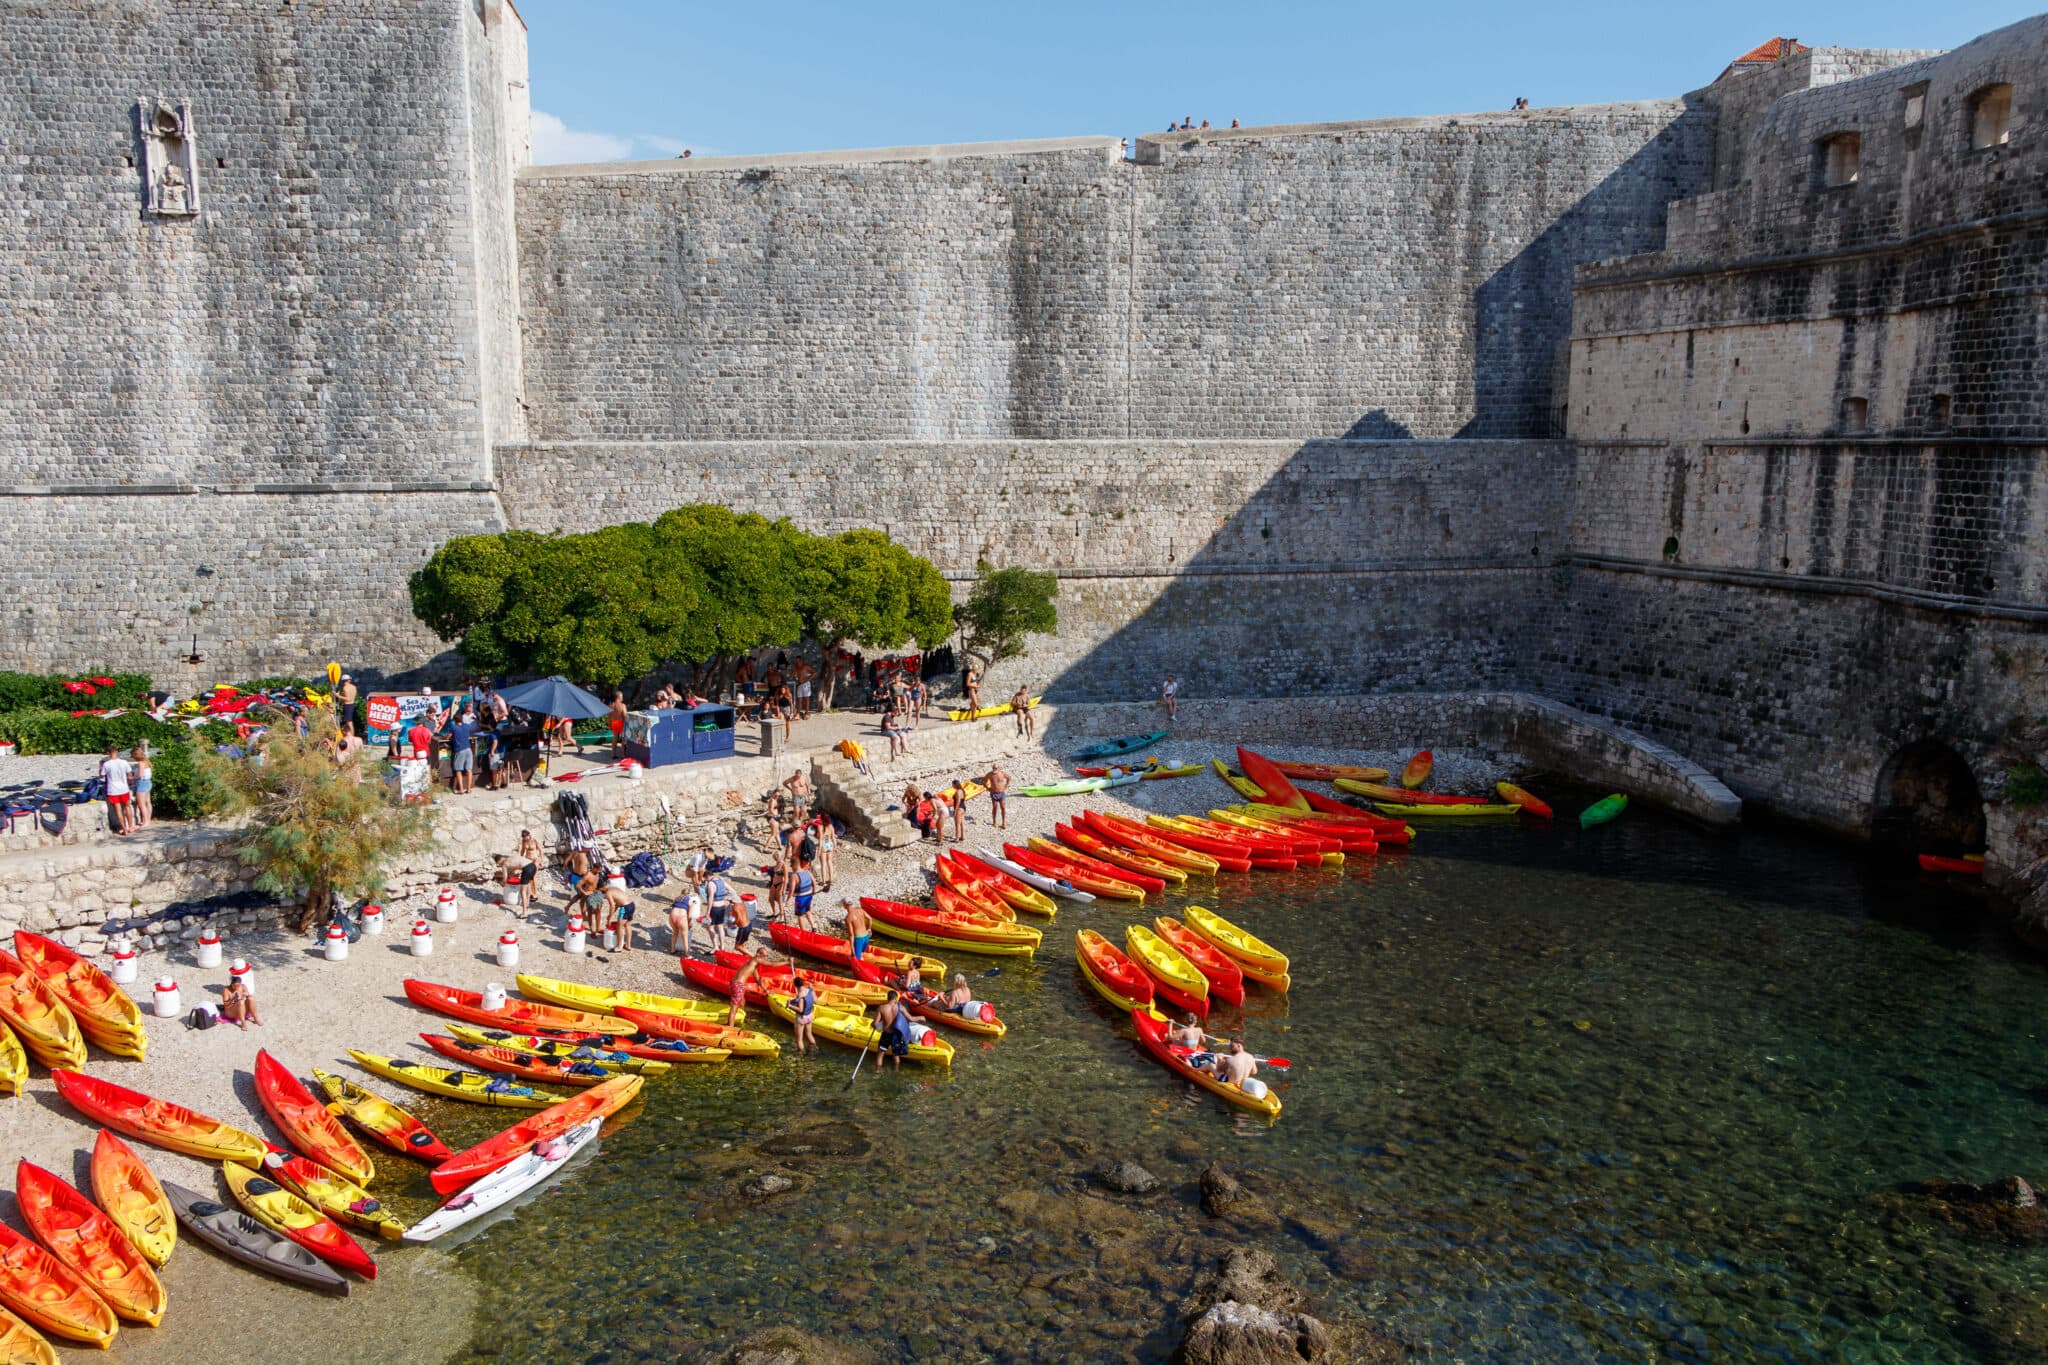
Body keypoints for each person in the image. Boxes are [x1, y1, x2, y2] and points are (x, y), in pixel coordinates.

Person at [99, 744, 135, 836]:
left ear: (108, 753)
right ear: (117, 751)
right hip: (124, 788)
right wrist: (130, 782)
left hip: (113, 790)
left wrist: (100, 767)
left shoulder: (106, 764)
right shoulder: (124, 762)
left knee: (118, 810)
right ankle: (131, 827)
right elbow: (130, 775)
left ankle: (124, 829)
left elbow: (102, 776)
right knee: (127, 807)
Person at [871, 990, 910, 1071]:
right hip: (896, 1035)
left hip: (886, 1034)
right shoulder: (900, 1007)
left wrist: (876, 1026)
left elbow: (875, 1024)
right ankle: (896, 1071)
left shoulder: (881, 1008)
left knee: (880, 1054)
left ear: (888, 998)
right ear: (895, 998)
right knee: (896, 1055)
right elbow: (906, 1020)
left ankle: (878, 1071)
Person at [449, 704, 479, 794]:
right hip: (468, 749)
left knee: (458, 770)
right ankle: (469, 789)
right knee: (469, 769)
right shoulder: (466, 726)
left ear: (455, 720)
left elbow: (448, 736)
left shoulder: (453, 727)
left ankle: (461, 789)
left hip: (460, 750)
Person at [704, 870, 736, 952]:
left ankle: (715, 947)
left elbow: (710, 898)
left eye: (706, 879)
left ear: (707, 877)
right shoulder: (721, 881)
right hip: (722, 907)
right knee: (720, 927)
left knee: (710, 927)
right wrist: (728, 900)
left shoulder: (711, 884)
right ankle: (722, 947)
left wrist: (707, 912)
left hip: (714, 908)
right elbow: (732, 891)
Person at [668, 889, 703, 955]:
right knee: (685, 935)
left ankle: (672, 950)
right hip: (681, 917)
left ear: (681, 893)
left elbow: (673, 908)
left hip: (672, 916)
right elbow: (689, 916)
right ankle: (687, 954)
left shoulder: (676, 898)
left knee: (675, 933)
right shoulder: (690, 901)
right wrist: (688, 923)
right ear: (689, 895)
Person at [727, 955, 759, 1027]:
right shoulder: (753, 965)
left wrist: (765, 990)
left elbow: (757, 979)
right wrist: (786, 961)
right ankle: (730, 1028)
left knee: (742, 1001)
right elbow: (771, 964)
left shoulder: (750, 964)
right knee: (734, 1008)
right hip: (738, 985)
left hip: (735, 984)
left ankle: (741, 1015)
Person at [791, 977, 818, 1055]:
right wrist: (813, 990)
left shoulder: (800, 995)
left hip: (801, 1019)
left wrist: (790, 1005)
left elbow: (800, 1010)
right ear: (803, 983)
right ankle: (814, 1048)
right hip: (810, 1016)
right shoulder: (810, 990)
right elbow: (816, 1001)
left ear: (795, 986)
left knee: (799, 1040)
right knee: (809, 1034)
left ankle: (801, 1055)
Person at [130, 744, 153, 829]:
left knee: (141, 804)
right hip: (148, 782)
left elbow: (139, 775)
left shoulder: (140, 763)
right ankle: (148, 819)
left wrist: (131, 777)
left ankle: (145, 821)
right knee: (148, 802)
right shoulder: (147, 761)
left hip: (142, 783)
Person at [791, 858, 816, 927]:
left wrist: (788, 899)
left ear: (794, 865)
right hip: (809, 895)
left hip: (800, 898)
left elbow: (791, 889)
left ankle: (803, 933)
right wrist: (814, 891)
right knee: (808, 911)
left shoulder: (794, 875)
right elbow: (814, 882)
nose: (791, 867)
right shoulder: (807, 871)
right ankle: (813, 926)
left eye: (791, 865)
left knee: (800, 916)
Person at [986, 762, 1011, 830]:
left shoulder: (1002, 773)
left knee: (1003, 807)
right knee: (995, 807)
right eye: (993, 768)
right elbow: (984, 780)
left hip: (1001, 793)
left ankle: (1003, 822)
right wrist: (987, 788)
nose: (994, 769)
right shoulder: (990, 774)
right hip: (994, 793)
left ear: (998, 768)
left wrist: (1006, 786)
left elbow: (1009, 778)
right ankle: (994, 821)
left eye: (996, 768)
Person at [815, 816, 836, 893]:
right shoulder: (831, 826)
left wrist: (819, 850)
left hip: (824, 844)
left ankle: (823, 881)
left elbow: (820, 839)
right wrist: (835, 847)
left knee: (823, 864)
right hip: (830, 844)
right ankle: (831, 880)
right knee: (830, 863)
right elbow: (833, 837)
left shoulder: (820, 827)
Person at [608, 691, 628, 760]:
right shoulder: (622, 705)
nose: (622, 697)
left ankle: (613, 754)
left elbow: (609, 717)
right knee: (623, 739)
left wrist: (609, 724)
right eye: (621, 696)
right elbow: (625, 715)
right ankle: (623, 755)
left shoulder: (611, 705)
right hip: (621, 723)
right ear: (618, 697)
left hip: (614, 723)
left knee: (615, 738)